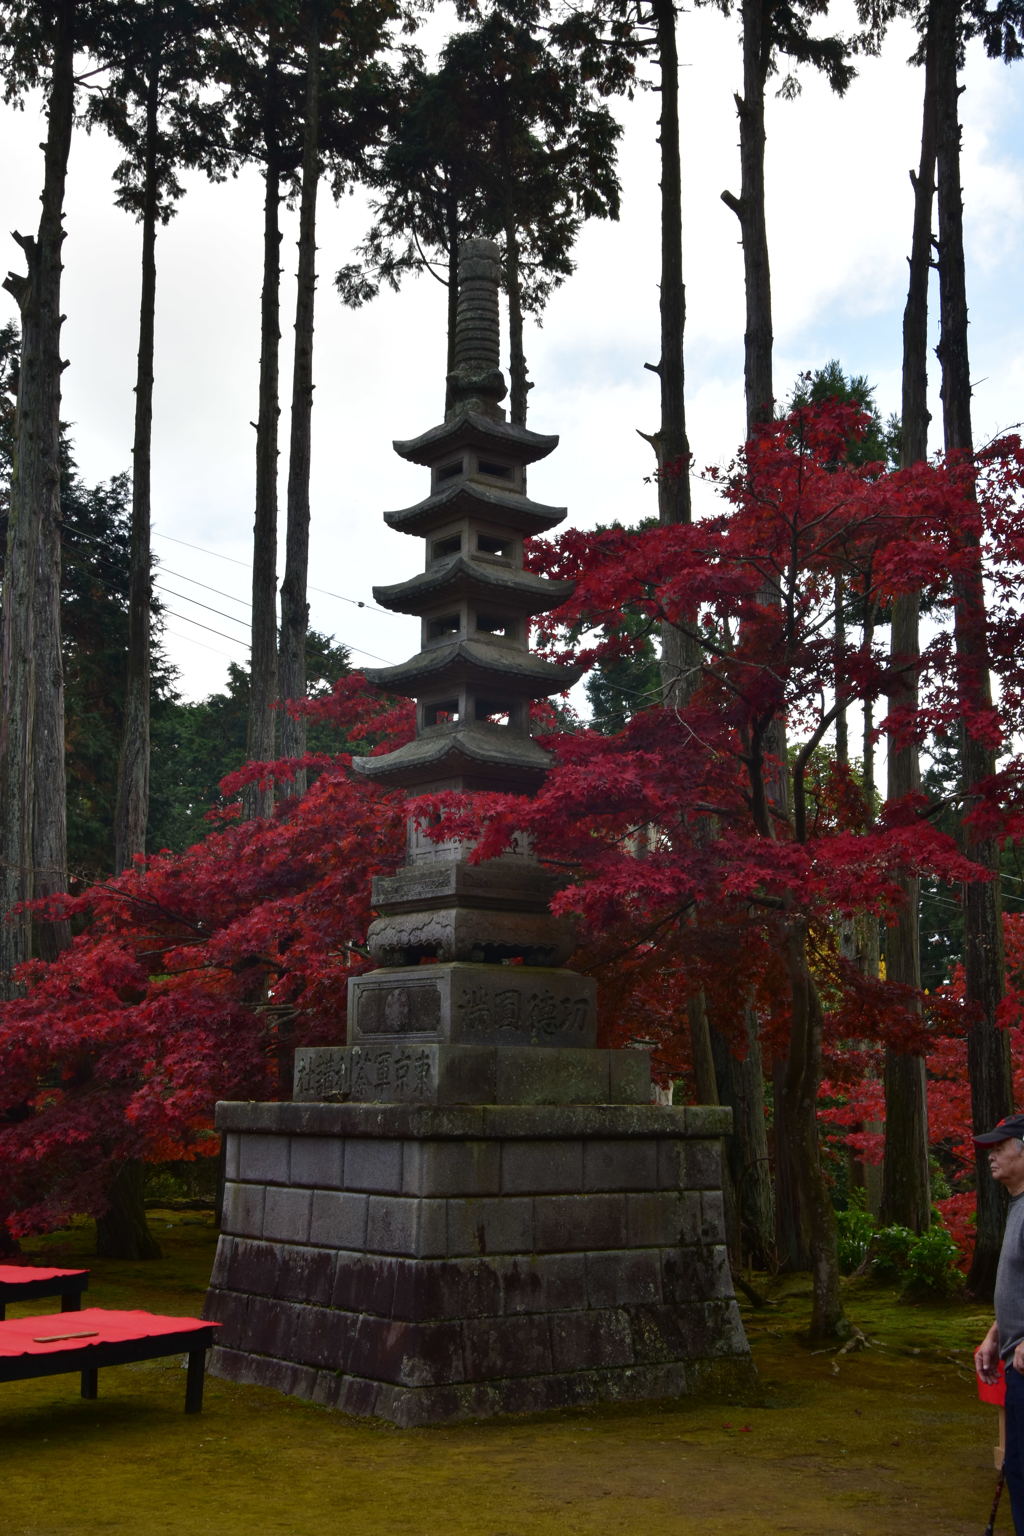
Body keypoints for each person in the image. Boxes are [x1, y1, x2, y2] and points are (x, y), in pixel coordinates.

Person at [974, 1113, 1024, 1536]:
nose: (992, 1154)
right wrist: (995, 1335)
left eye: (1001, 1146)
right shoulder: (1017, 1205)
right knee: (1018, 1466)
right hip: (1015, 1358)